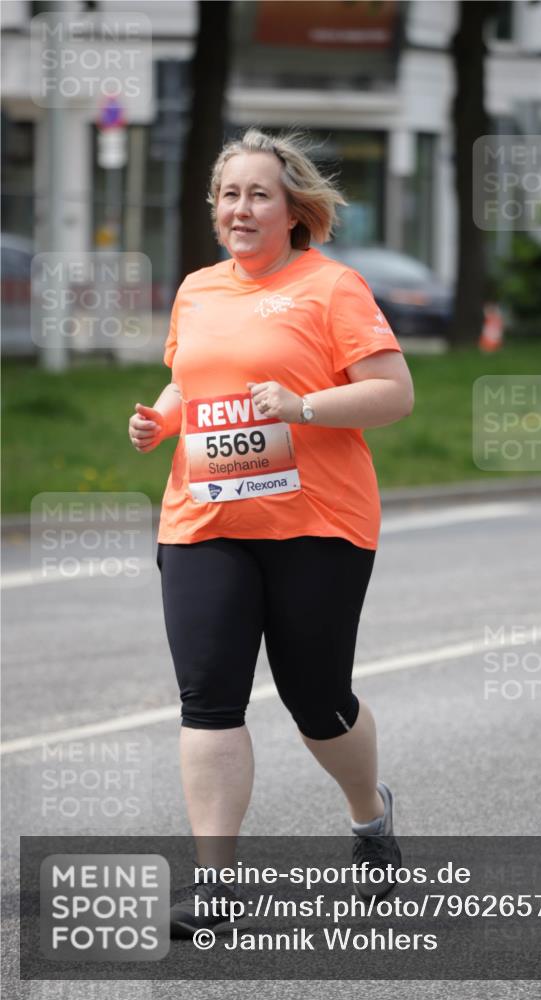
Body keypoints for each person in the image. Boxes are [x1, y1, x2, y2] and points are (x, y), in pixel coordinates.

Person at [128, 128, 414, 938]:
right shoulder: (196, 290)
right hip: (205, 517)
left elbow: (393, 395)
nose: (240, 208)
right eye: (229, 195)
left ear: (293, 210)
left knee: (314, 698)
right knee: (208, 699)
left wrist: (303, 408)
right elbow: (190, 382)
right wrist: (162, 421)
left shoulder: (333, 288)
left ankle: (368, 816)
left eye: (258, 194)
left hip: (317, 522)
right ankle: (217, 886)